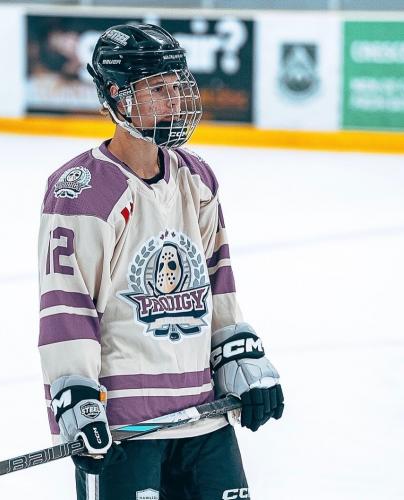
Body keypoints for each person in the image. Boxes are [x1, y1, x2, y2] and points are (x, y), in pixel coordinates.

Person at [38, 23, 284, 500]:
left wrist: (237, 353)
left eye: (176, 86)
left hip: (202, 416)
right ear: (117, 94)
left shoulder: (197, 178)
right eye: (157, 89)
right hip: (126, 427)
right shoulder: (83, 191)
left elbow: (218, 278)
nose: (173, 100)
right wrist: (75, 393)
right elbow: (67, 305)